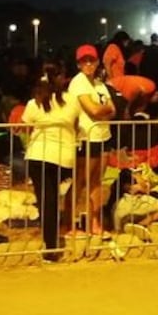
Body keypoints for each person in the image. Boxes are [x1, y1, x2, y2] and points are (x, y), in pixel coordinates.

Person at [21, 64, 79, 261]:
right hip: (62, 156)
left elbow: (24, 126)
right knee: (54, 199)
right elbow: (76, 124)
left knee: (46, 200)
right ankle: (54, 240)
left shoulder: (33, 103)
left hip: (38, 154)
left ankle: (51, 244)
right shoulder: (71, 101)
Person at [68, 44, 116, 238]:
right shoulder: (78, 82)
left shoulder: (99, 84)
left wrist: (101, 109)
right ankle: (69, 224)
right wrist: (102, 109)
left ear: (97, 62)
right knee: (79, 182)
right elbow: (94, 110)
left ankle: (94, 222)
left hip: (103, 136)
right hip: (87, 137)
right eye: (84, 61)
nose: (88, 64)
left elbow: (112, 110)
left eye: (91, 60)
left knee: (97, 182)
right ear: (79, 64)